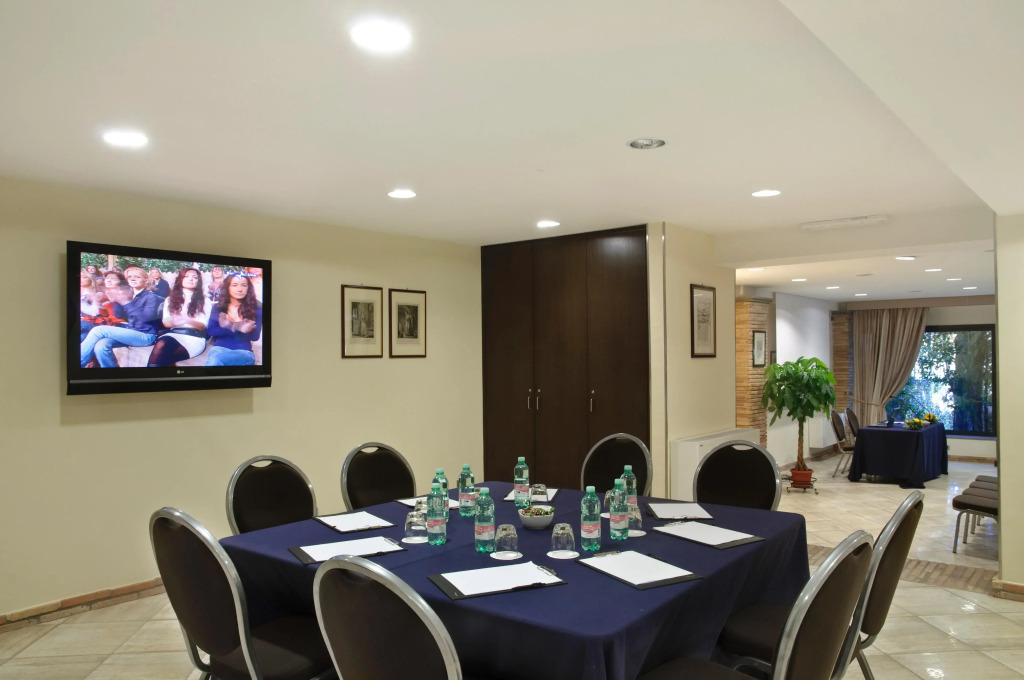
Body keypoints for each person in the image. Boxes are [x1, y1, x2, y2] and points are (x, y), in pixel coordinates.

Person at [80, 265, 163, 368]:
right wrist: (117, 300)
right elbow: (118, 315)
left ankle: (78, 364)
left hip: (146, 335)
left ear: (145, 281)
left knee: (98, 330)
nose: (132, 279)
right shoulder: (130, 294)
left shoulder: (151, 297)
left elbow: (145, 318)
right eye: (130, 277)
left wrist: (126, 302)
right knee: (101, 346)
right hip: (132, 331)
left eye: (137, 277)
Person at [147, 268, 211, 366]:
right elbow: (166, 322)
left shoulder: (205, 300)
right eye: (186, 276)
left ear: (198, 281)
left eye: (194, 277)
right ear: (180, 279)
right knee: (162, 344)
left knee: (163, 357)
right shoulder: (169, 299)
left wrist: (186, 319)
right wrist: (175, 322)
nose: (191, 279)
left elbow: (202, 325)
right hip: (173, 334)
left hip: (194, 337)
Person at [206, 273, 262, 366]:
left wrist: (228, 325)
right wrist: (237, 327)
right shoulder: (218, 307)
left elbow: (255, 337)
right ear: (227, 287)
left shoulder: (257, 310)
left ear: (248, 288)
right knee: (215, 361)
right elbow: (211, 331)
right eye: (234, 285)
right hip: (218, 349)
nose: (240, 289)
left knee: (216, 361)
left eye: (244, 285)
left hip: (243, 351)